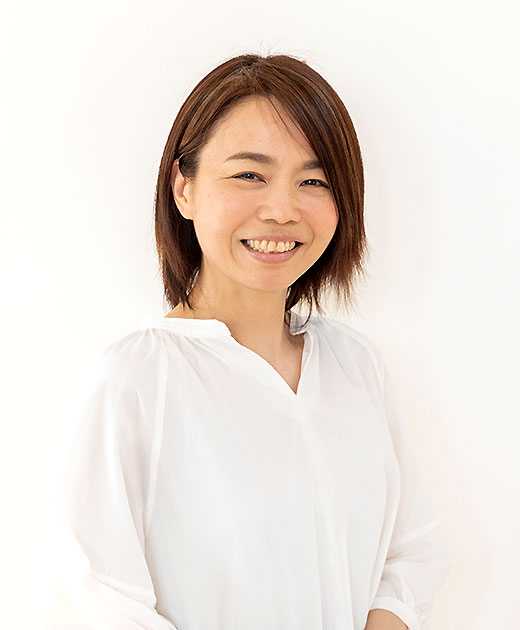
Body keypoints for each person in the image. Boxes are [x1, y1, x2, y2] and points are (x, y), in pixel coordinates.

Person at [36, 53, 453, 630]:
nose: (282, 210)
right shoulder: (141, 378)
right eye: (249, 175)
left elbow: (410, 554)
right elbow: (96, 600)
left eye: (313, 181)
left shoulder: (355, 365)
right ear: (184, 189)